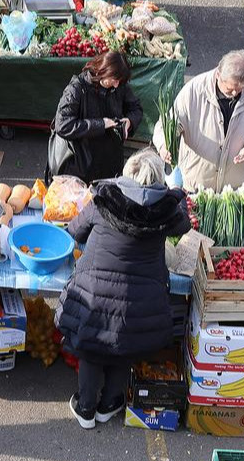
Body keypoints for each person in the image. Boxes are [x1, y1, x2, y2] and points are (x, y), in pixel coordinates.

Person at [58, 150, 191, 428]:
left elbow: (74, 231)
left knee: (92, 348)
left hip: (94, 295)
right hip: (140, 303)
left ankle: (86, 409)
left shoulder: (104, 200)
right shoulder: (165, 211)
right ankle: (109, 404)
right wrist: (175, 195)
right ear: (158, 181)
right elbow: (184, 223)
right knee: (124, 346)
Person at [155, 50, 244, 192]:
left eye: (240, 89)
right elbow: (167, 125)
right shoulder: (193, 91)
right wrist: (163, 145)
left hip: (234, 189)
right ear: (218, 75)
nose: (235, 94)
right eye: (230, 89)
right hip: (196, 185)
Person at [49, 52, 144, 183]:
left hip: (111, 165)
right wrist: (101, 124)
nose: (116, 85)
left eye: (119, 81)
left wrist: (130, 122)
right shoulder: (77, 88)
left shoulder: (120, 85)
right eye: (114, 80)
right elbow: (63, 124)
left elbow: (136, 108)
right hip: (81, 166)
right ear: (103, 71)